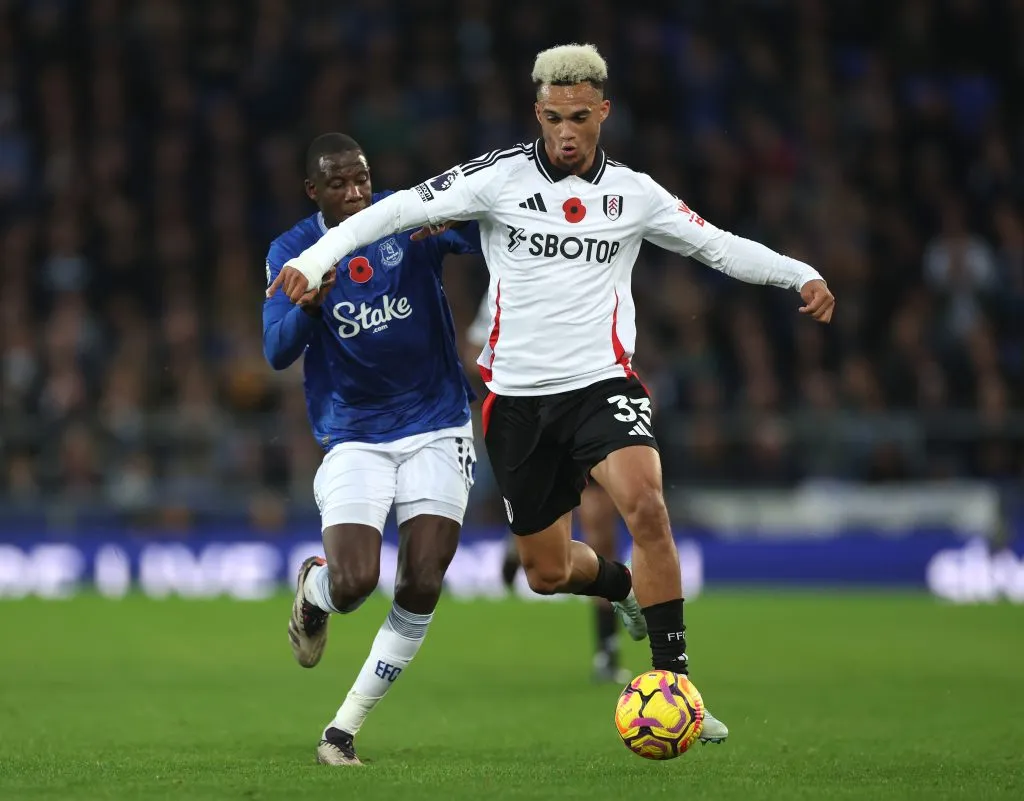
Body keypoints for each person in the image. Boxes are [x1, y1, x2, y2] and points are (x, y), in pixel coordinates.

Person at [269, 45, 837, 745]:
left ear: (604, 113)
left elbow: (715, 245)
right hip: (517, 403)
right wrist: (314, 259)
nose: (567, 132)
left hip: (602, 384)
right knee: (546, 569)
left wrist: (799, 273)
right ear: (538, 113)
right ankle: (620, 586)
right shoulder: (497, 178)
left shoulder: (634, 193)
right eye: (555, 118)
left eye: (580, 117)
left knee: (645, 504)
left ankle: (676, 686)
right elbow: (398, 211)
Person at [263, 133, 482, 766]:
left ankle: (342, 730)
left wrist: (461, 217)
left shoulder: (405, 217)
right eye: (339, 184)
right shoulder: (292, 250)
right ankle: (316, 591)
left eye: (361, 178)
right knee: (356, 581)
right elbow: (276, 349)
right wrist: (309, 308)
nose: (356, 192)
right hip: (354, 433)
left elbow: (482, 233)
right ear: (314, 191)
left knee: (422, 578)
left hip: (438, 422)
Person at [467, 296, 631, 684]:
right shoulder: (510, 284)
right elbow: (474, 347)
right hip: (530, 419)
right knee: (547, 556)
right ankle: (523, 536)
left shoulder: (593, 276)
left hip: (586, 407)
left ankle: (607, 648)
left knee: (599, 524)